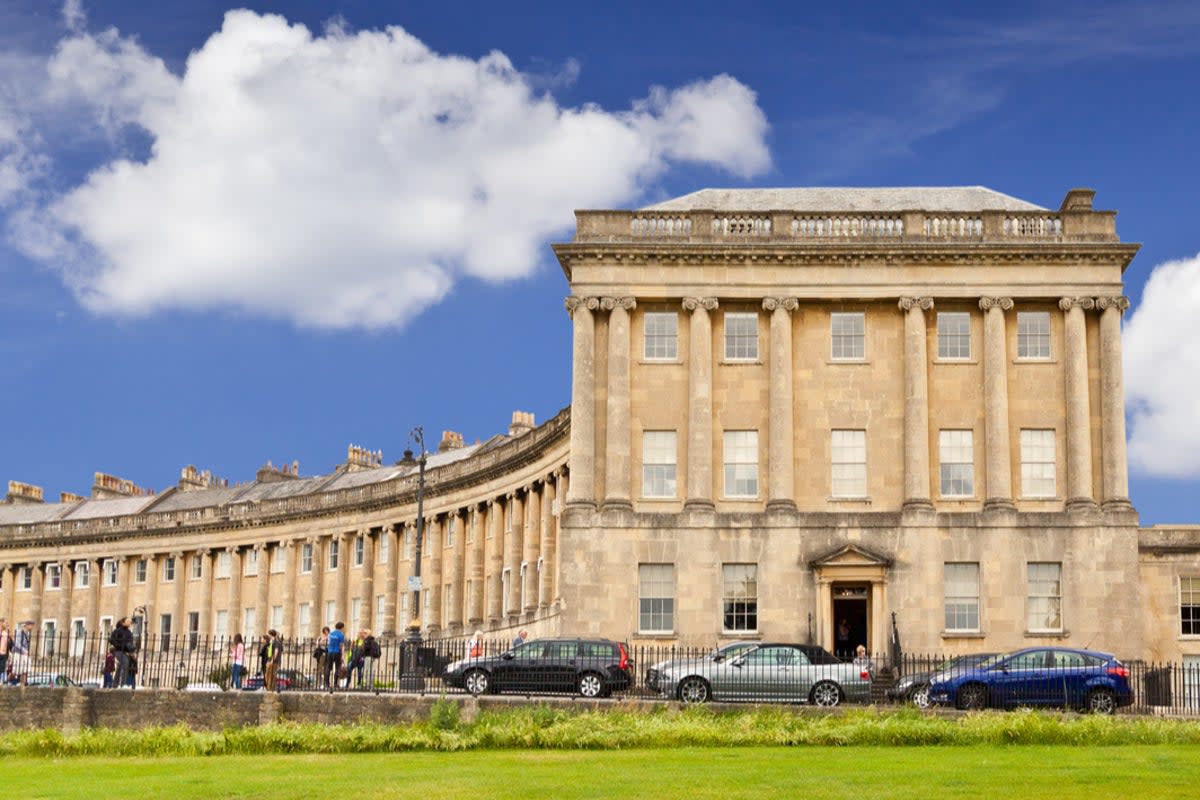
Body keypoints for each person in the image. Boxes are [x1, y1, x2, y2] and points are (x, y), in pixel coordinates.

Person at [109, 617, 135, 689]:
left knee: (120, 667)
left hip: (126, 652)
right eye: (128, 621)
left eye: (130, 621)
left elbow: (130, 642)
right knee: (125, 665)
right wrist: (118, 645)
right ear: (123, 622)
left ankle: (115, 684)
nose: (129, 622)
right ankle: (123, 684)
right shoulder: (117, 631)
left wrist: (131, 649)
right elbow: (111, 639)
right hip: (119, 651)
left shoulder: (129, 632)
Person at [9, 620, 33, 686]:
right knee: (15, 671)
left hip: (24, 654)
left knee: (25, 670)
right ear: (27, 625)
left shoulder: (28, 634)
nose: (32, 627)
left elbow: (27, 645)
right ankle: (8, 679)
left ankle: (23, 684)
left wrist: (28, 652)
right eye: (31, 625)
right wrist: (24, 651)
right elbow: (16, 643)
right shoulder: (19, 632)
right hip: (17, 653)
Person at [324, 621, 345, 692]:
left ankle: (327, 684)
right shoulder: (341, 635)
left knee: (328, 667)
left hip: (330, 652)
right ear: (342, 628)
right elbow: (341, 646)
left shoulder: (330, 634)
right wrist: (342, 656)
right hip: (337, 652)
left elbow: (328, 642)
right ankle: (335, 683)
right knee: (337, 667)